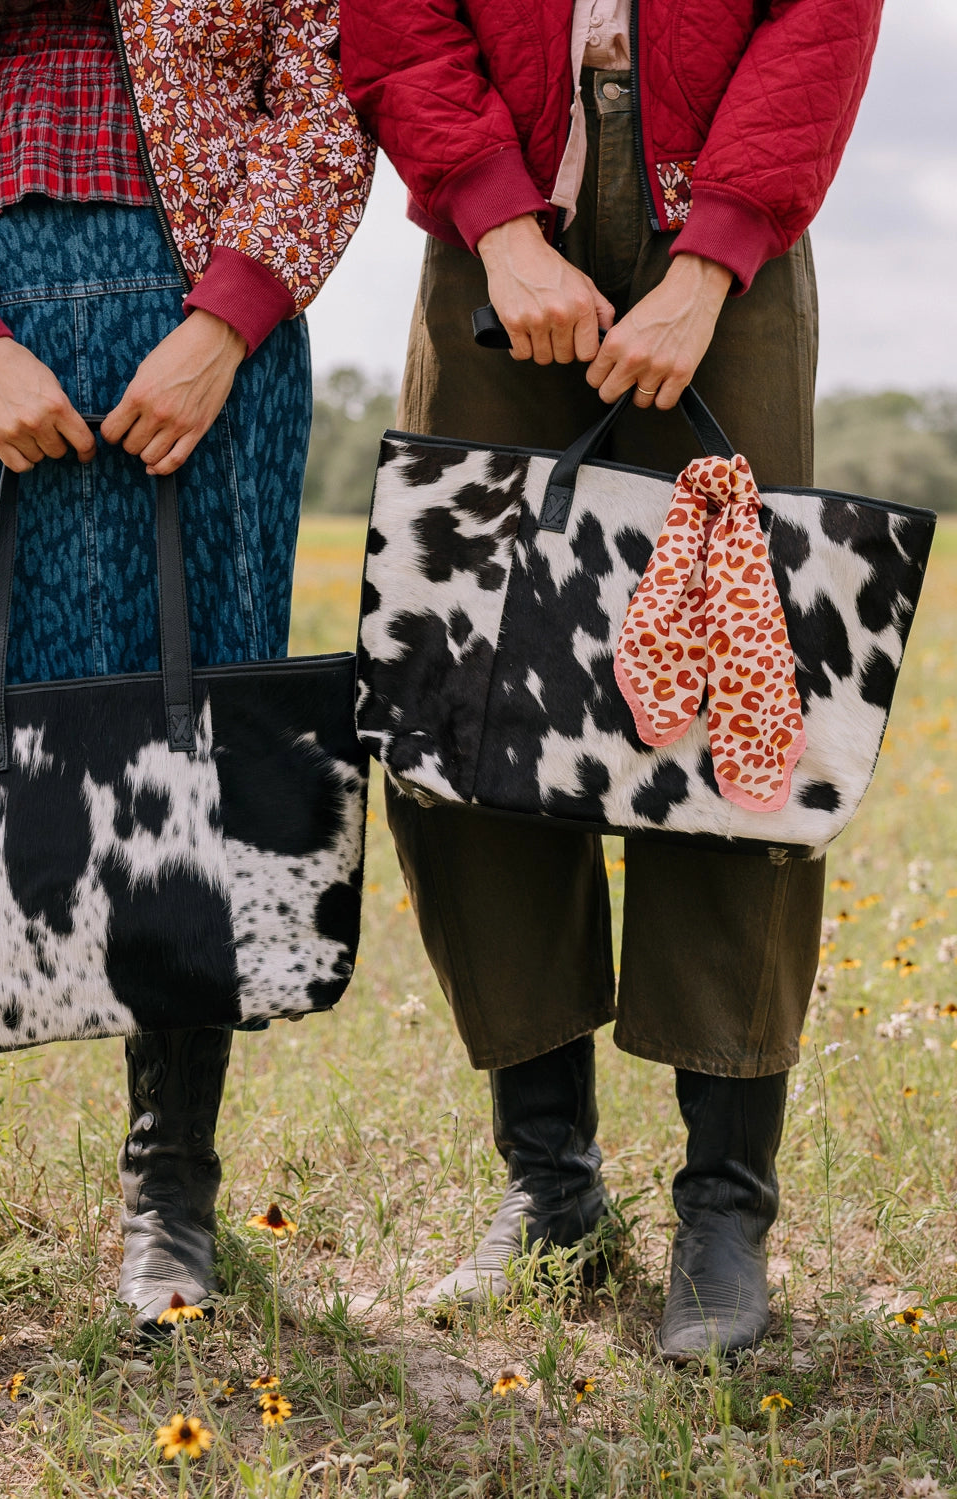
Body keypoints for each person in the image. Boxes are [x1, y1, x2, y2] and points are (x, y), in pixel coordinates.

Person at [340, 0, 882, 1356]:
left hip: (727, 222)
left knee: (737, 708)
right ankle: (553, 1187)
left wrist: (714, 263)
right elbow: (397, 22)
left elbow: (824, 21)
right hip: (495, 224)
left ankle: (723, 1210)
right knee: (466, 700)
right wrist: (502, 229)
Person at [0, 0, 372, 1334]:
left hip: (209, 331)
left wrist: (230, 319)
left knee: (188, 764)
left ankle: (170, 1195)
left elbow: (323, 72)